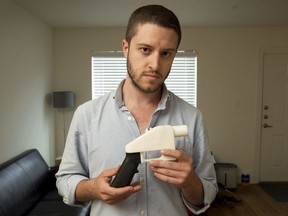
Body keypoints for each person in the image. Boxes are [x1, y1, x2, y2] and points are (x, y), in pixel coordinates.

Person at [56, 4, 218, 216]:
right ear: (126, 48)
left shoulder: (192, 118)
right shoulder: (87, 115)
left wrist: (190, 183)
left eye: (166, 53)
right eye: (145, 50)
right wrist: (93, 188)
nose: (155, 64)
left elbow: (208, 192)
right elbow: (66, 180)